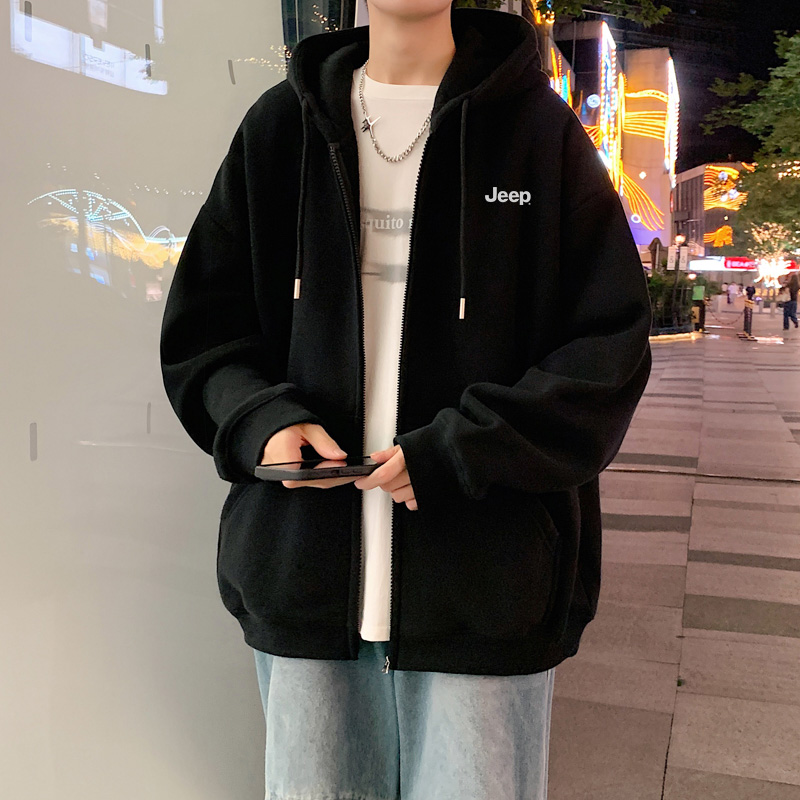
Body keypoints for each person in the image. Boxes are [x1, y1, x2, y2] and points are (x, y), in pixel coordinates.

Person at [160, 3, 652, 798]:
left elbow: (608, 348)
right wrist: (262, 420)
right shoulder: (281, 128)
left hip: (487, 584)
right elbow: (203, 331)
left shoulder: (538, 131)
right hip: (305, 575)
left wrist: (463, 451)